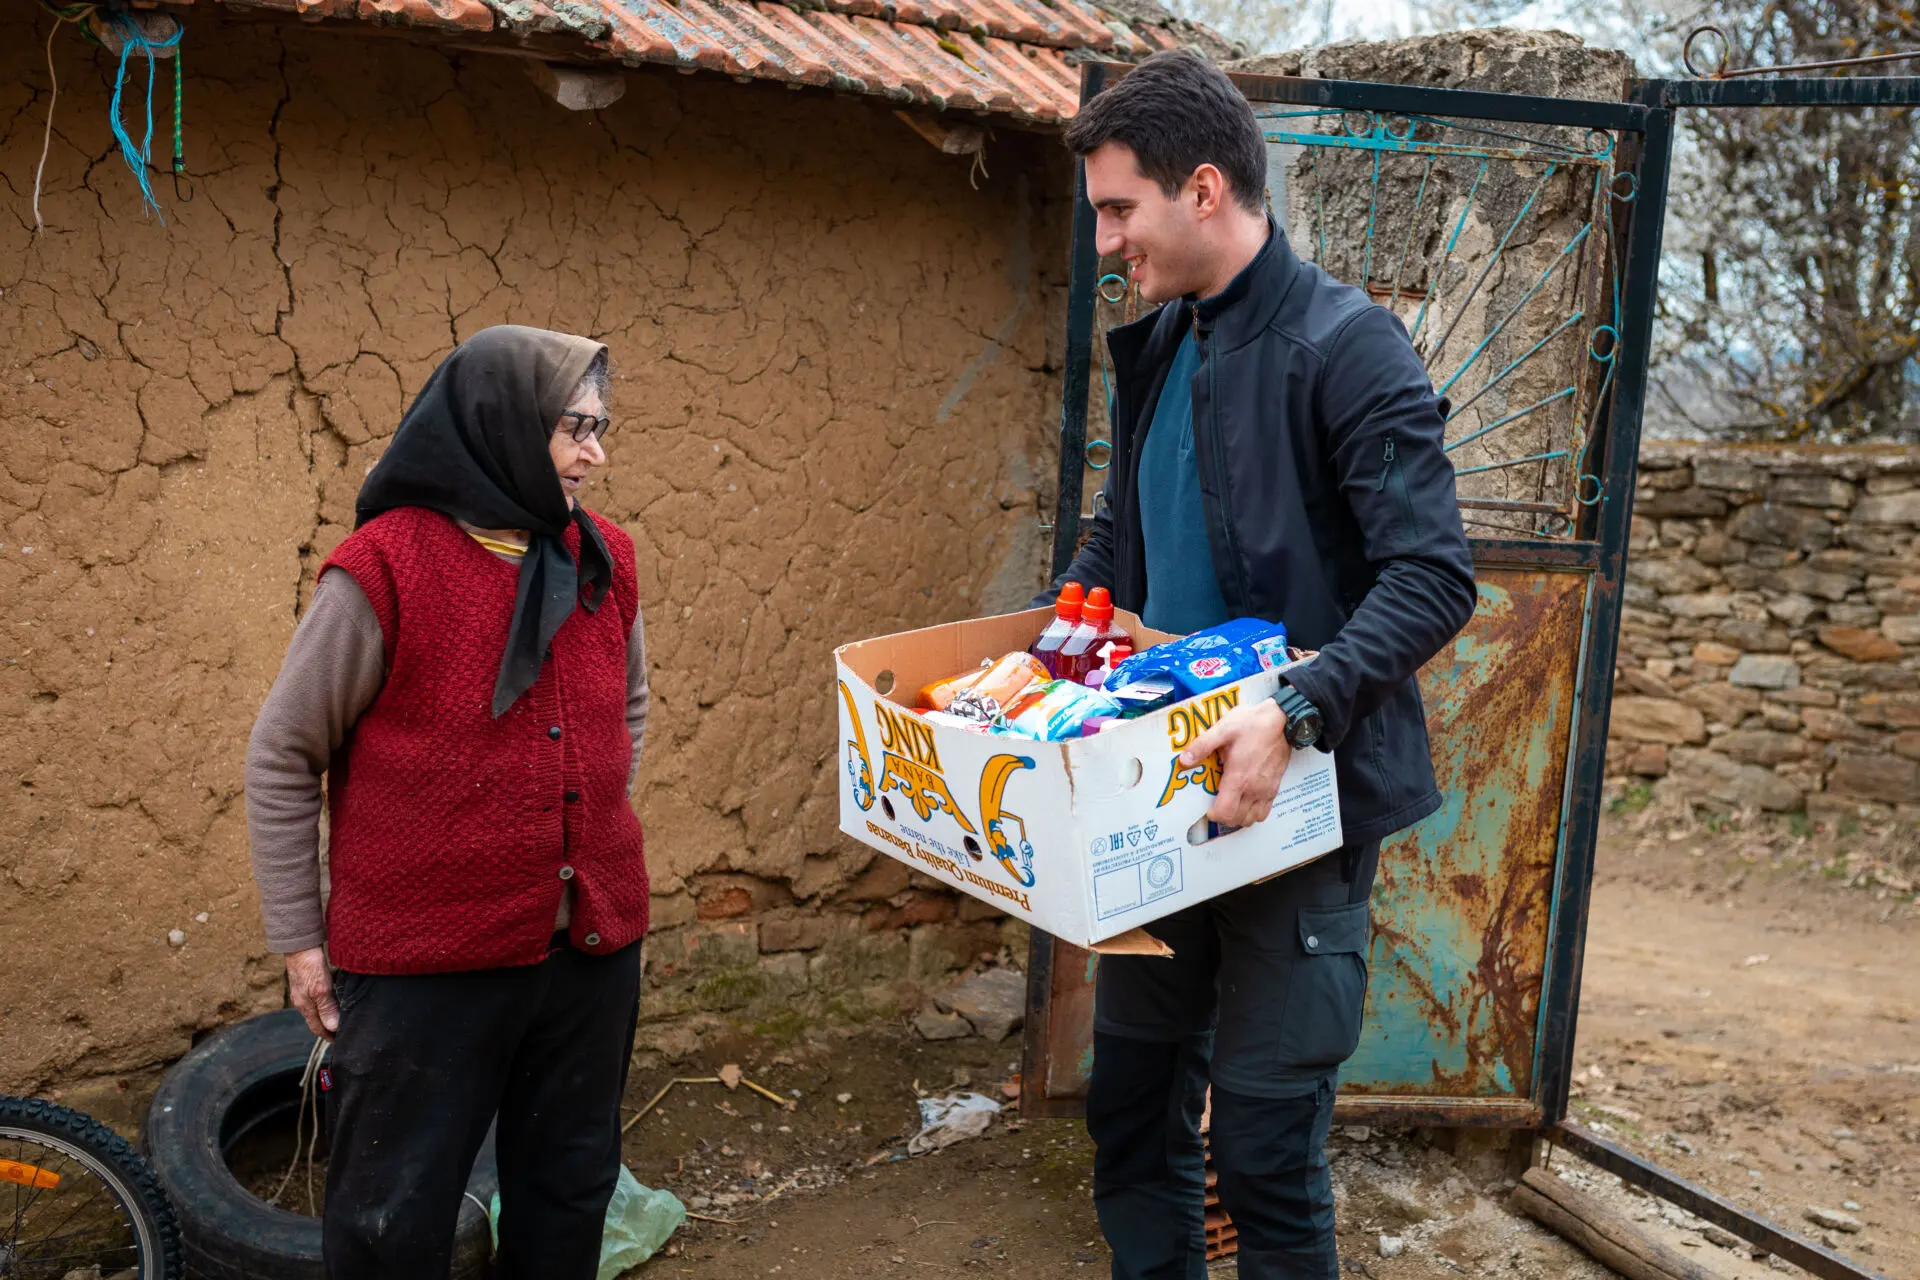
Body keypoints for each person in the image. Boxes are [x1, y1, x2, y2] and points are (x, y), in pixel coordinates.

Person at [1042, 51, 1478, 1279]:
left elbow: (1434, 575)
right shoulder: (1160, 346)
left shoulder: (1350, 347)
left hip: (1302, 797)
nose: (1109, 241)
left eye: (1121, 210)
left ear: (1205, 187)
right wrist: (1049, 644)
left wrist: (1295, 708)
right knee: (1131, 1110)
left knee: (1268, 1152)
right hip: (1157, 798)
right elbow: (1118, 528)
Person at [244, 325, 652, 1278]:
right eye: (575, 428)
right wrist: (302, 943)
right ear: (502, 427)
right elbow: (283, 753)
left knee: (569, 1186)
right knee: (393, 1218)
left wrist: (582, 827)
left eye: (601, 427)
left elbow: (627, 703)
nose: (597, 453)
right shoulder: (384, 569)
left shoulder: (606, 559)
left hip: (589, 946)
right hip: (425, 965)